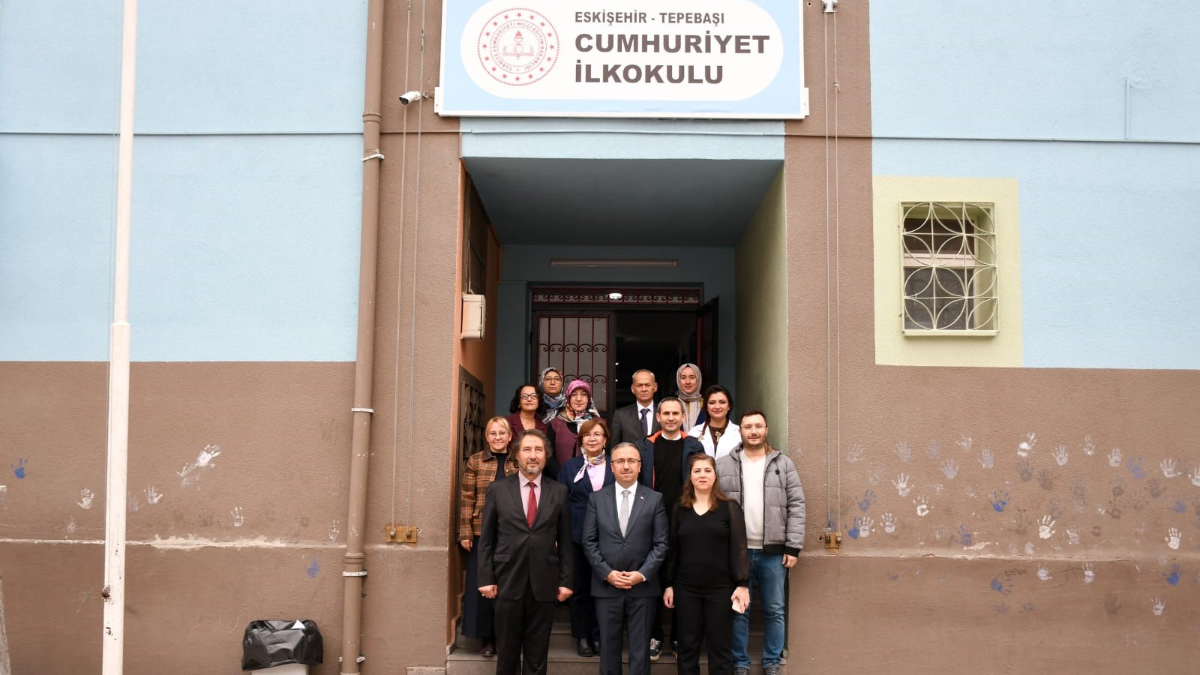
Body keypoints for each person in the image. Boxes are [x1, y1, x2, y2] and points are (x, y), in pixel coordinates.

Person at [716, 410, 805, 675]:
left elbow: (797, 505)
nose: (753, 431)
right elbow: (714, 508)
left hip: (773, 552)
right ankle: (740, 663)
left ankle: (772, 662)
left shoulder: (783, 464)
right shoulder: (723, 465)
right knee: (739, 609)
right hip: (737, 552)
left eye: (758, 426)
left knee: (774, 610)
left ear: (766, 430)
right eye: (748, 427)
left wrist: (793, 546)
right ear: (740, 431)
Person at [477, 429, 574, 675]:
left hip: (544, 584)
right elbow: (486, 539)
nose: (533, 455)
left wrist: (566, 581)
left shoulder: (559, 491)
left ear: (546, 456)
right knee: (507, 656)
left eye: (538, 450)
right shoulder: (497, 489)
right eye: (527, 449)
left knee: (537, 656)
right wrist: (486, 578)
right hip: (506, 581)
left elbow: (565, 541)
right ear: (516, 455)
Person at [582, 442, 669, 675]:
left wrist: (642, 574)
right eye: (620, 461)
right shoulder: (596, 499)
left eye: (631, 461)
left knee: (640, 651)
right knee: (609, 651)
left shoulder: (654, 499)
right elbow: (588, 542)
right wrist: (607, 573)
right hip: (606, 587)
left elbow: (661, 544)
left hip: (642, 588)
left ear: (640, 466)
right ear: (611, 466)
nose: (626, 466)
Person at [663, 453, 750, 675]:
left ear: (715, 476)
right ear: (690, 477)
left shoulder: (729, 507)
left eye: (707, 470)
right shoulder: (679, 508)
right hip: (686, 588)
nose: (702, 475)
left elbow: (739, 547)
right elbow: (672, 549)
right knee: (687, 647)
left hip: (721, 589)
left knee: (720, 648)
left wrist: (742, 583)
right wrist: (669, 584)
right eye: (697, 471)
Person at [633, 397, 704, 660]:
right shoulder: (645, 446)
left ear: (683, 417)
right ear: (658, 417)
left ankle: (677, 635)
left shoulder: (694, 445)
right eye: (666, 413)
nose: (671, 418)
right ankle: (654, 635)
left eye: (676, 413)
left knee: (681, 579)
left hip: (684, 518)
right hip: (651, 519)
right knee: (652, 578)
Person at [458, 417, 520, 657]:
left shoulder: (518, 460)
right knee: (482, 584)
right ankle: (486, 639)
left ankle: (506, 637)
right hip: (480, 531)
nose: (497, 437)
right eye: (493, 433)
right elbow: (467, 498)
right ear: (486, 437)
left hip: (512, 533)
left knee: (508, 586)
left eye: (502, 433)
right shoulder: (476, 461)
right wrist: (465, 531)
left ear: (510, 436)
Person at [557, 418, 615, 657]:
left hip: (609, 538)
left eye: (597, 434)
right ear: (581, 440)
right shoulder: (570, 467)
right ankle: (582, 636)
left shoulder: (616, 465)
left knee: (603, 589)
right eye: (587, 435)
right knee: (579, 588)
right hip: (577, 537)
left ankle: (599, 635)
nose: (592, 439)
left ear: (605, 440)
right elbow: (560, 503)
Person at [547, 379, 597, 476]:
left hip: (593, 479)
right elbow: (549, 455)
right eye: (574, 394)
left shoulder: (599, 423)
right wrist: (562, 477)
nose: (579, 399)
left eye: (583, 394)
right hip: (561, 479)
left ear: (589, 398)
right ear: (568, 398)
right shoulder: (556, 423)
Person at [687, 384, 741, 460]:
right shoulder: (694, 433)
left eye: (722, 402)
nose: (717, 407)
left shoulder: (739, 433)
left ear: (729, 406)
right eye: (712, 403)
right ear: (706, 407)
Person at [609, 369, 660, 447]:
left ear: (655, 387)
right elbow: (614, 447)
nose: (644, 389)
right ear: (633, 389)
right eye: (639, 385)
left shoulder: (664, 412)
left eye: (648, 385)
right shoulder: (621, 415)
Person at [504, 383, 553, 451]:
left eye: (533, 396)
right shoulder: (506, 423)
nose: (529, 399)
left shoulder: (544, 428)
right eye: (524, 396)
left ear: (538, 401)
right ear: (519, 402)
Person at [674, 363, 706, 431]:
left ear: (698, 379)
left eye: (692, 377)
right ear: (678, 380)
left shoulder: (707, 405)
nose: (687, 382)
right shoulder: (671, 405)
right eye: (683, 378)